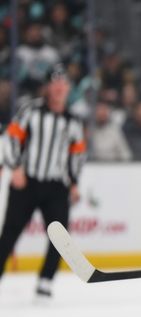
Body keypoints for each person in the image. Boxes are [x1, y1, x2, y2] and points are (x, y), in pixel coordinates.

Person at [0, 63, 86, 298]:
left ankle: (46, 280)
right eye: (55, 83)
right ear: (48, 87)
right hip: (26, 182)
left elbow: (76, 154)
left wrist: (75, 182)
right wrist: (14, 167)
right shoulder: (31, 111)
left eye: (63, 83)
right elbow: (11, 139)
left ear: (68, 88)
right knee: (10, 233)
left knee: (60, 237)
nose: (59, 88)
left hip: (56, 186)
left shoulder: (73, 121)